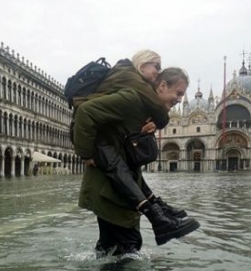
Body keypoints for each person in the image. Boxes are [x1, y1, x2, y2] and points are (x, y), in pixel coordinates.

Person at [74, 66, 200, 257]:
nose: (179, 99)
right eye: (178, 93)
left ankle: (159, 215)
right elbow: (85, 112)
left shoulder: (147, 110)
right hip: (109, 188)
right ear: (163, 85)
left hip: (120, 187)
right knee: (125, 249)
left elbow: (130, 155)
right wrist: (85, 154)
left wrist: (156, 123)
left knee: (116, 249)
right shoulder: (133, 100)